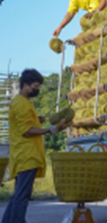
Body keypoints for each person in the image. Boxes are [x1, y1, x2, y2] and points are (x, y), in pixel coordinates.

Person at [3, 69, 67, 223]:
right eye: (35, 87)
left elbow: (25, 124)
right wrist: (51, 129)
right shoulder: (21, 104)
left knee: (18, 194)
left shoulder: (23, 102)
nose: (37, 90)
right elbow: (26, 131)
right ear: (25, 85)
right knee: (22, 196)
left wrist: (37, 119)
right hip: (27, 156)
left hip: (24, 155)